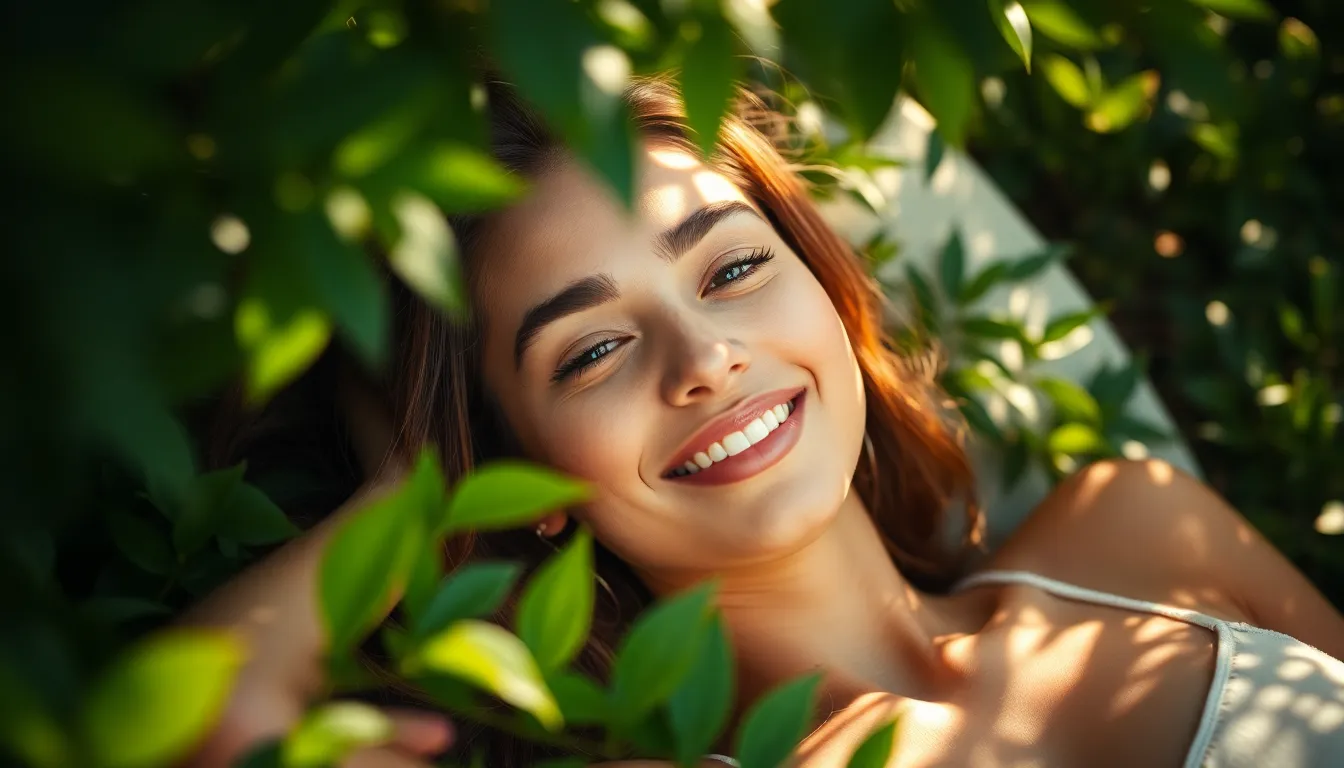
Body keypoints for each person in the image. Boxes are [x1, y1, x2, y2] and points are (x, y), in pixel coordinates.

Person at [186, 76, 1344, 768]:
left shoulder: (1134, 530)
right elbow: (196, 727)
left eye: (732, 268)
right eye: (590, 351)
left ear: (831, 294)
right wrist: (408, 498)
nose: (704, 359)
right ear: (517, 482)